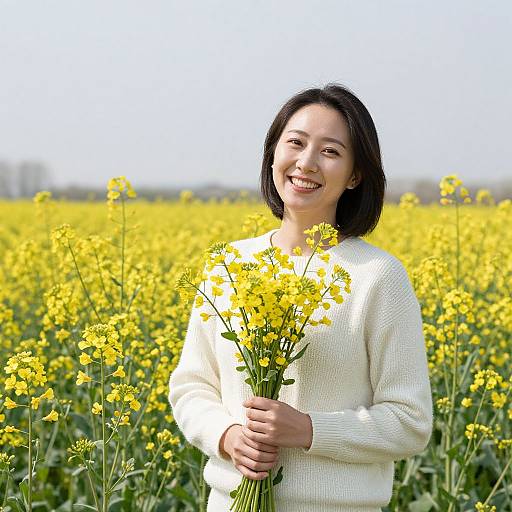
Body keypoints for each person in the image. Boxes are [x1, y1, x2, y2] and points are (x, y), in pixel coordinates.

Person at [168, 83, 433, 512]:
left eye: (330, 151)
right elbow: (191, 386)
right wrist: (228, 437)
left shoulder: (378, 277)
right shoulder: (229, 265)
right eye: (295, 142)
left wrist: (310, 430)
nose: (306, 163)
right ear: (274, 152)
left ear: (355, 175)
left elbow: (410, 422)